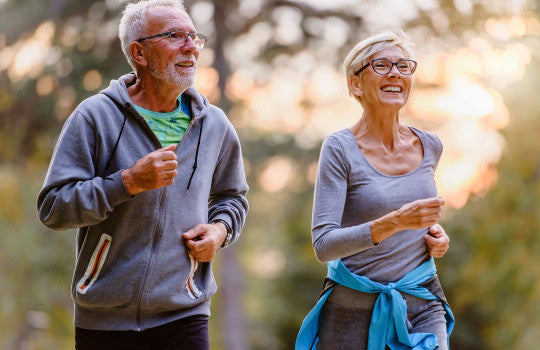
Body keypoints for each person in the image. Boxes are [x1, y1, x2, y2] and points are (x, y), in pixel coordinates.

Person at [37, 1, 248, 349]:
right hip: (104, 318)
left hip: (185, 311)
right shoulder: (94, 116)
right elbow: (54, 208)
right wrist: (127, 183)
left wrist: (219, 230)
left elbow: (233, 197)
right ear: (140, 52)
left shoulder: (215, 126)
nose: (191, 46)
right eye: (175, 36)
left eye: (194, 37)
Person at [296, 30, 454, 350]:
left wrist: (433, 232)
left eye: (403, 66)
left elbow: (409, 209)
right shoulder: (339, 148)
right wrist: (396, 221)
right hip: (352, 309)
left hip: (423, 301)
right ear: (356, 84)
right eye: (381, 65)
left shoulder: (430, 145)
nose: (395, 72)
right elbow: (324, 245)